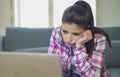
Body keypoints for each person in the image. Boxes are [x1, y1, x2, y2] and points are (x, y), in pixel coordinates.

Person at [48, 0, 111, 77]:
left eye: (75, 34)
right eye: (65, 31)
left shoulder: (99, 39)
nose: (68, 39)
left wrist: (79, 47)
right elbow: (51, 66)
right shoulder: (57, 32)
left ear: (86, 30)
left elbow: (94, 75)